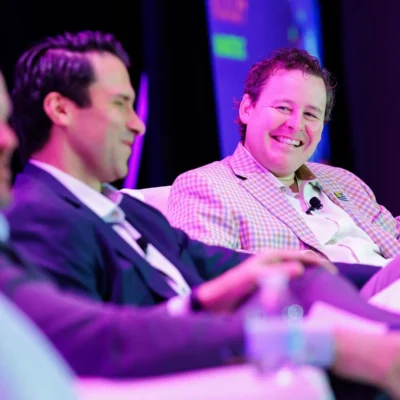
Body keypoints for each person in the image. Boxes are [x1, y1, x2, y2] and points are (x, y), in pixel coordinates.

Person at [0, 70, 400, 398]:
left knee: (299, 276)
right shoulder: (36, 214)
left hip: (346, 305)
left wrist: (210, 300)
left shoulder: (129, 210)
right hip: (226, 350)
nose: (139, 125)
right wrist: (315, 341)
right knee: (301, 283)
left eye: (312, 114)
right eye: (121, 104)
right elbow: (99, 339)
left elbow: (208, 268)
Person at [168, 48, 400, 267]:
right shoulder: (206, 186)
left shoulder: (344, 181)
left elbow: (392, 234)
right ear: (247, 108)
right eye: (283, 108)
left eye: (310, 114)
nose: (296, 124)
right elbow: (208, 277)